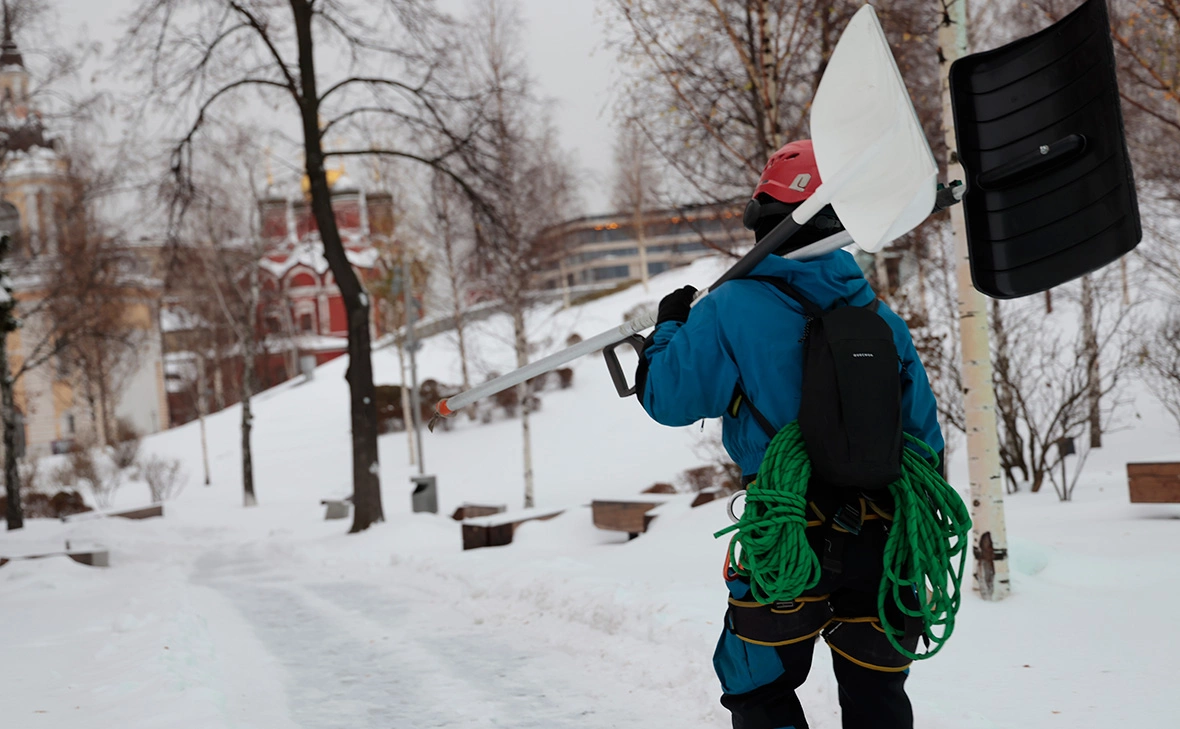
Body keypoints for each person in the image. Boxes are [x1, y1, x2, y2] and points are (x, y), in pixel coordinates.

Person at [635, 139, 944, 729]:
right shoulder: (880, 318)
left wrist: (670, 327)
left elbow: (667, 399)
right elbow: (925, 444)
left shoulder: (730, 306)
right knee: (876, 695)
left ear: (762, 215)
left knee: (757, 687)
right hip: (882, 539)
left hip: (789, 538)